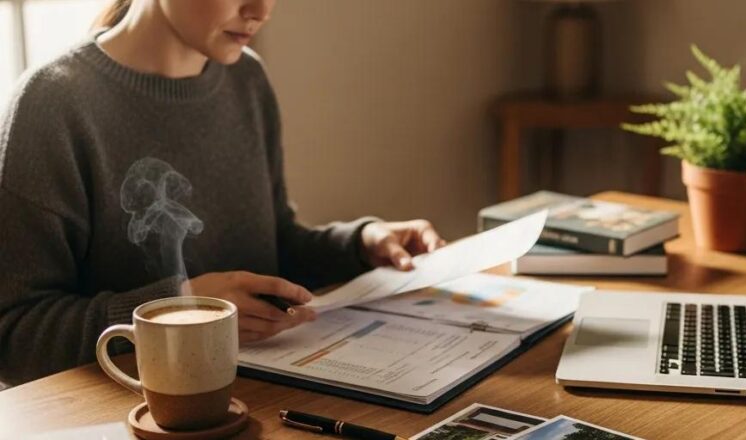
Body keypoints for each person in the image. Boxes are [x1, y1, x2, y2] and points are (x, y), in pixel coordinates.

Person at [0, 0, 445, 387]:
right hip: (134, 416)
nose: (261, 10)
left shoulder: (246, 79)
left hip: (260, 401)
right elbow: (15, 336)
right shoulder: (54, 104)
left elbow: (273, 250)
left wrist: (360, 244)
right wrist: (180, 312)